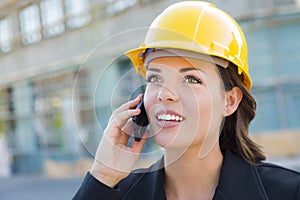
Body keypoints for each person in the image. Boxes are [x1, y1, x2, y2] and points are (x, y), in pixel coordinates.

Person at [73, 1, 300, 199]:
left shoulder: (287, 192)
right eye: (155, 77)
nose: (165, 93)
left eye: (191, 79)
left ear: (230, 101)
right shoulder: (116, 193)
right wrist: (103, 175)